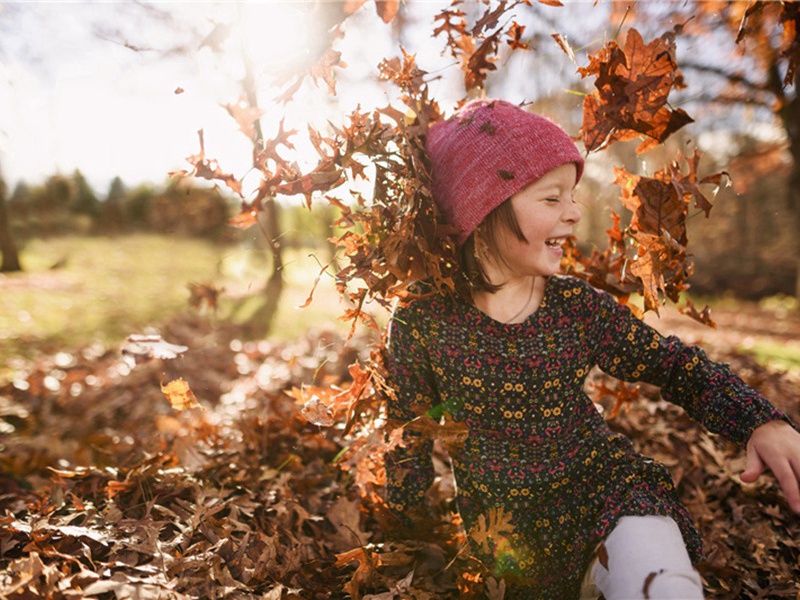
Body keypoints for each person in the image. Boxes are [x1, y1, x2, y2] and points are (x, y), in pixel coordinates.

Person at [383, 98, 800, 600]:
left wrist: (757, 419)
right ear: (484, 209)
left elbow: (673, 365)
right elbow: (407, 439)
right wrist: (400, 550)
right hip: (511, 552)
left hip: (606, 497)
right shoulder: (424, 322)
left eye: (573, 196)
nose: (575, 213)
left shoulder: (576, 309)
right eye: (552, 199)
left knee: (662, 586)